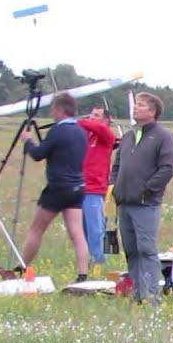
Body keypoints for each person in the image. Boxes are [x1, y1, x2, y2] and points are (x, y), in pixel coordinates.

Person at [110, 92, 173, 304]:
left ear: (152, 112)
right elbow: (117, 165)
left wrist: (147, 190)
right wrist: (113, 187)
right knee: (131, 251)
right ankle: (138, 296)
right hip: (124, 203)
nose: (135, 108)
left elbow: (167, 168)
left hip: (146, 204)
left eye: (140, 105)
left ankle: (151, 297)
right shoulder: (129, 136)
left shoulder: (163, 136)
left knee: (146, 250)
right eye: (136, 105)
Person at [17, 92, 89, 282]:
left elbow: (38, 154)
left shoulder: (57, 131)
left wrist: (27, 140)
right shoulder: (82, 132)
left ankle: (22, 266)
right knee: (77, 233)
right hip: (77, 187)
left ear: (59, 109)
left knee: (37, 229)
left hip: (57, 188)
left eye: (52, 109)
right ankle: (83, 274)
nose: (51, 113)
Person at [77, 106, 117, 269]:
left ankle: (99, 260)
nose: (92, 118)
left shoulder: (106, 134)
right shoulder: (89, 136)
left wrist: (74, 121)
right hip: (81, 187)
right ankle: (87, 261)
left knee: (96, 227)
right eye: (91, 114)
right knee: (83, 229)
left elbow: (98, 126)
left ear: (106, 119)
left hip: (94, 189)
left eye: (97, 115)